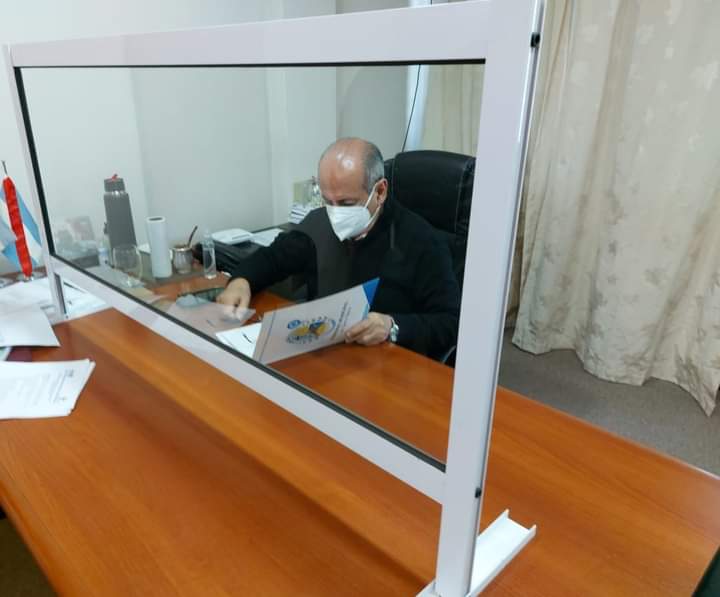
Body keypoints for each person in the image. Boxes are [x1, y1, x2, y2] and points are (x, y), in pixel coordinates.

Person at [217, 137, 460, 360]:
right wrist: (241, 280)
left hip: (388, 365)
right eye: (327, 201)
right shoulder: (318, 225)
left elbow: (450, 323)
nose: (335, 213)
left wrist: (392, 326)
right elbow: (273, 258)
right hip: (324, 354)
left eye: (346, 203)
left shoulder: (422, 241)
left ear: (380, 191)